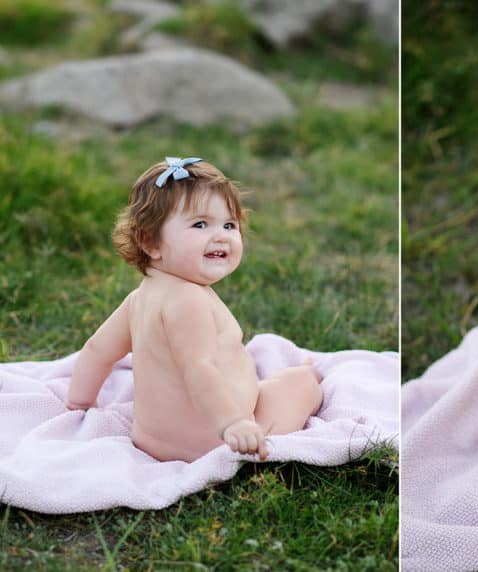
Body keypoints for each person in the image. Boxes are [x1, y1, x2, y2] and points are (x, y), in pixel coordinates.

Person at [66, 157, 323, 462]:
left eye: (229, 224)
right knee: (301, 383)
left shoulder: (141, 297)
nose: (221, 235)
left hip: (152, 440)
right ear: (150, 243)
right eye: (200, 224)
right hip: (213, 441)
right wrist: (233, 423)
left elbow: (98, 350)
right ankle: (261, 415)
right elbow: (199, 369)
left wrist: (79, 401)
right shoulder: (189, 300)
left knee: (273, 382)